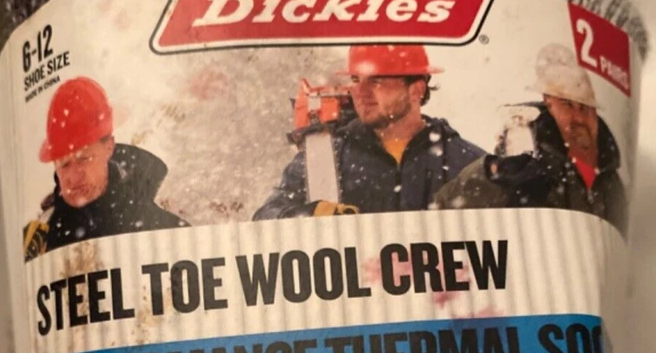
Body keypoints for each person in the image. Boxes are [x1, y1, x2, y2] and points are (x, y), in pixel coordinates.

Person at [253, 44, 484, 220]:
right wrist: (308, 214)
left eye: (376, 81)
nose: (360, 92)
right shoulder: (323, 159)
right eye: (356, 80)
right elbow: (265, 217)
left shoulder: (466, 163)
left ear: (417, 90)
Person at [434, 44, 628, 235]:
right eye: (567, 104)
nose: (578, 117)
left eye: (585, 107)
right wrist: (491, 173)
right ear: (548, 104)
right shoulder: (534, 165)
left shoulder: (612, 181)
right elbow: (445, 206)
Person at [24, 77, 188, 260]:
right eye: (64, 165)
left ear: (109, 147)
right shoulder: (36, 241)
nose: (74, 177)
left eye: (84, 159)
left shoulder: (165, 230)